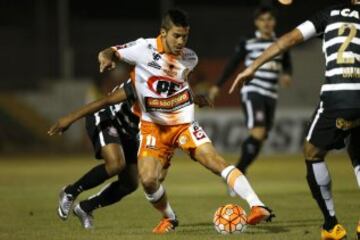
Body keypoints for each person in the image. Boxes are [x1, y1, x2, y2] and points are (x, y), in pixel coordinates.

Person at [49, 9, 274, 234]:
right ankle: (168, 218)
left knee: (213, 161)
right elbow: (111, 55)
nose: (181, 41)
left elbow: (173, 86)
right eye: (176, 35)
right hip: (149, 128)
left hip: (182, 124)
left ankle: (257, 205)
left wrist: (195, 99)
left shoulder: (189, 58)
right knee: (147, 180)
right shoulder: (143, 49)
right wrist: (106, 57)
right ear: (163, 32)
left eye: (185, 36)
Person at [229, 1, 360, 239]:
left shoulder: (328, 14)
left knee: (312, 152)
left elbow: (288, 40)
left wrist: (254, 66)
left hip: (339, 95)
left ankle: (331, 225)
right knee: (358, 152)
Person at [208, 6, 292, 176]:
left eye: (269, 19)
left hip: (271, 94)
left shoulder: (282, 42)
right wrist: (218, 85)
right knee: (258, 132)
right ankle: (236, 175)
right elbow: (233, 64)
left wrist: (287, 74)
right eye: (262, 20)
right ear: (256, 23)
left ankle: (238, 172)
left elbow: (287, 62)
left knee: (260, 138)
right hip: (253, 90)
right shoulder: (248, 41)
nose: (266, 23)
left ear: (274, 22)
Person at [57, 66, 139, 230]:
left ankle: (86, 208)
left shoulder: (170, 89)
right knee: (116, 164)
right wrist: (69, 119)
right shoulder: (141, 83)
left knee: (130, 184)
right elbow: (105, 101)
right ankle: (70, 192)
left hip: (129, 130)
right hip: (107, 117)